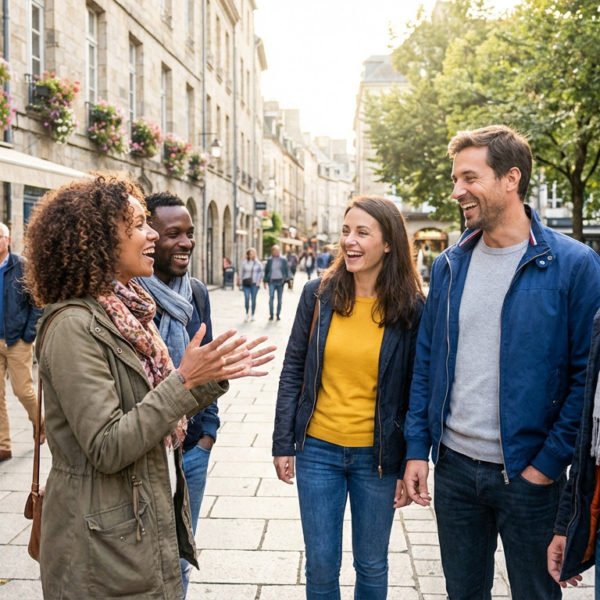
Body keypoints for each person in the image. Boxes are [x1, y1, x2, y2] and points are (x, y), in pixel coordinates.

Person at [24, 175, 275, 599]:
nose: (153, 235)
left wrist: (209, 376)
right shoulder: (73, 325)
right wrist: (185, 380)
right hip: (99, 543)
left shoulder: (127, 311)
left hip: (129, 527)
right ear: (102, 238)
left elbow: (148, 404)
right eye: (140, 224)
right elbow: (107, 445)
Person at [403, 125, 600, 600]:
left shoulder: (575, 265)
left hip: (529, 478)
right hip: (453, 472)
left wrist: (545, 467)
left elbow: (585, 381)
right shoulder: (450, 264)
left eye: (469, 178)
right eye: (455, 179)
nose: (457, 191)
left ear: (511, 179)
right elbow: (427, 361)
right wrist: (417, 448)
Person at [273, 196, 424, 599]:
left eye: (361, 232)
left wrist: (409, 458)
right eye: (345, 231)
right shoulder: (317, 295)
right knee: (321, 564)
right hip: (317, 450)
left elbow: (416, 390)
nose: (349, 242)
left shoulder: (411, 307)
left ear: (388, 242)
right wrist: (282, 442)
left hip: (376, 459)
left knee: (372, 564)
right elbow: (292, 370)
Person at [136, 191, 219, 597]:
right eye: (174, 234)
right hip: (143, 449)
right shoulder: (129, 297)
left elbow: (210, 364)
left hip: (191, 449)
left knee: (182, 558)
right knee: (142, 562)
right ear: (148, 236)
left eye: (189, 233)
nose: (186, 242)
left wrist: (207, 434)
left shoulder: (197, 293)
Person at [0, 222, 43, 462]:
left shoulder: (21, 266)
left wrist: (29, 334)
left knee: (23, 390)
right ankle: (3, 445)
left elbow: (37, 301)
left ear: (8, 239)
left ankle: (40, 423)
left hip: (17, 340)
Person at [263, 244, 290, 321]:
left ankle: (278, 315)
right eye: (275, 251)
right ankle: (271, 315)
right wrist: (265, 281)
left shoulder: (283, 260)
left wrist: (286, 280)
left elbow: (286, 270)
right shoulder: (269, 260)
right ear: (272, 252)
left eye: (278, 251)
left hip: (280, 282)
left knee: (279, 299)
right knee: (271, 298)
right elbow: (266, 271)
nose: (276, 252)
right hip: (271, 282)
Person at [238, 247, 264, 321]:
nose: (252, 255)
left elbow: (261, 272)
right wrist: (240, 281)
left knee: (253, 299)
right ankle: (247, 313)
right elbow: (241, 272)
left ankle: (253, 314)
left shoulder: (258, 263)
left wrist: (259, 281)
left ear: (255, 254)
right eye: (250, 253)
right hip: (246, 283)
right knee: (246, 299)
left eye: (253, 253)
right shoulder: (244, 262)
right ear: (248, 254)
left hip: (254, 284)